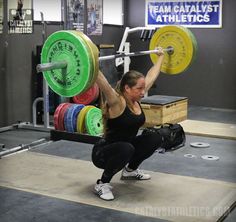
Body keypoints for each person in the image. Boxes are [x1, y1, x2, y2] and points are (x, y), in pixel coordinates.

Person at [92, 47, 165, 200]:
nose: (143, 92)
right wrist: (91, 60)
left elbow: (151, 75)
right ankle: (102, 183)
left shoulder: (136, 98)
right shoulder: (117, 101)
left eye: (143, 88)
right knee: (127, 148)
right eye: (139, 89)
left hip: (127, 147)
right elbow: (102, 81)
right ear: (127, 88)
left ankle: (130, 170)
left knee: (155, 137)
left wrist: (160, 57)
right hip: (104, 153)